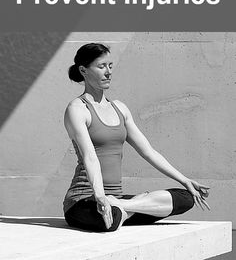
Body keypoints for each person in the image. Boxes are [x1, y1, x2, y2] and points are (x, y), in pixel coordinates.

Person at [63, 43, 210, 232]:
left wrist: (184, 180)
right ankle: (121, 208)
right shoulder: (77, 109)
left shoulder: (120, 108)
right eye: (101, 67)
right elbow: (89, 157)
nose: (108, 72)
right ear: (83, 70)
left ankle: (124, 207)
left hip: (117, 199)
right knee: (109, 221)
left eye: (110, 66)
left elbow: (148, 152)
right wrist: (100, 196)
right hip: (83, 200)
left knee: (185, 198)